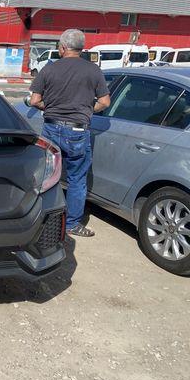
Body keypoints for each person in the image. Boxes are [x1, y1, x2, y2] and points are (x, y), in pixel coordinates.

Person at [29, 29, 111, 237]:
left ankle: (41, 218)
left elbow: (35, 100)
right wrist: (86, 111)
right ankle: (72, 224)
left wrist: (51, 107)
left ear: (63, 48)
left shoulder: (49, 69)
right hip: (77, 131)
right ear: (81, 48)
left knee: (48, 175)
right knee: (77, 179)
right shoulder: (93, 70)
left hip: (51, 128)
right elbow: (105, 102)